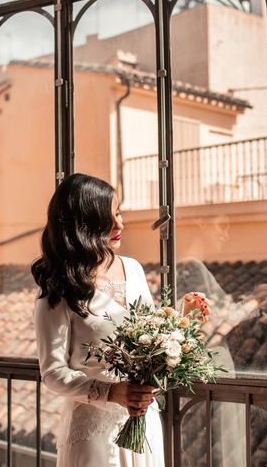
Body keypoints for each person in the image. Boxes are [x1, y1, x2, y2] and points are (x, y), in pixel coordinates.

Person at [32, 173, 165, 467]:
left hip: (144, 423)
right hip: (92, 433)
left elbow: (153, 336)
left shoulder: (134, 269)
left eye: (118, 212)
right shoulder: (57, 290)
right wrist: (110, 392)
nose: (119, 225)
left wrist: (183, 319)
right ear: (81, 227)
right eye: (105, 219)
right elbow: (53, 373)